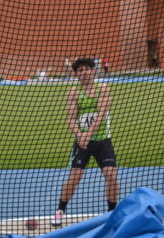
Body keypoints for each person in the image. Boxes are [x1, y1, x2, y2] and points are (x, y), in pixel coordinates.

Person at [51, 57, 120, 227]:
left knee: (111, 176)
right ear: (76, 74)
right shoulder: (74, 92)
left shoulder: (103, 88)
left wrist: (87, 134)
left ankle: (112, 213)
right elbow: (71, 118)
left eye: (87, 69)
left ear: (93, 70)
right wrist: (80, 135)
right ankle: (60, 211)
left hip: (103, 140)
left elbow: (102, 113)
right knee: (74, 178)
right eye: (80, 71)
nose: (84, 73)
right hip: (82, 143)